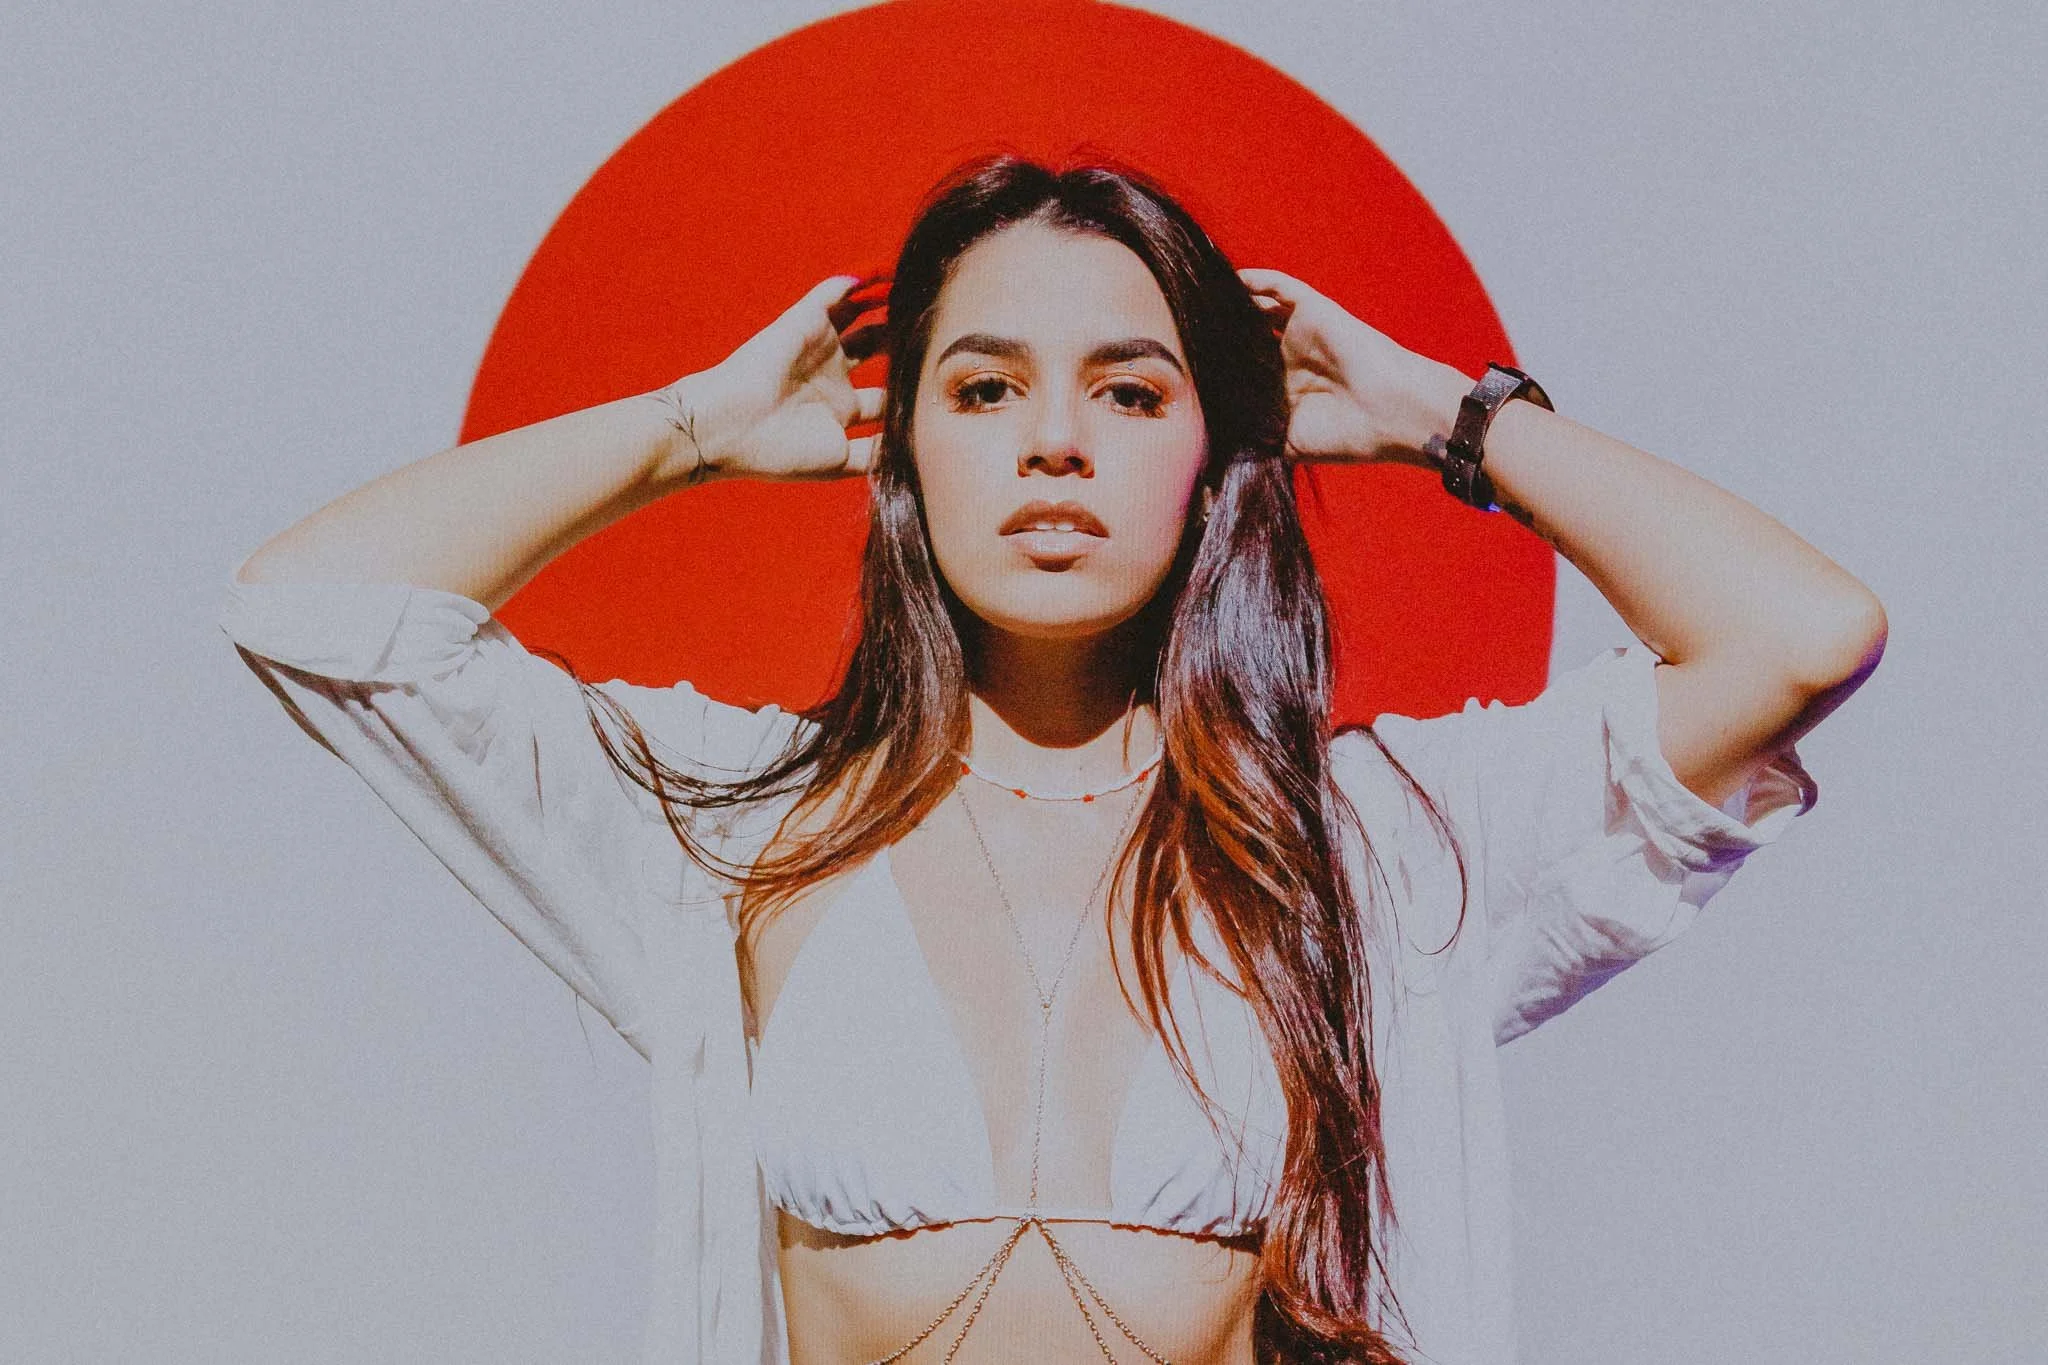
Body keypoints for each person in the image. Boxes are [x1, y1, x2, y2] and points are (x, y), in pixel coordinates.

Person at [218, 155, 1881, 1364]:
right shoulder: (735, 830)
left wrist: (1452, 416)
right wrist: (687, 433)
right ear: (905, 446)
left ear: (1215, 455)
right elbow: (312, 607)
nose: (1056, 443)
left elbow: (1796, 636)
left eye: (1133, 391)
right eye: (987, 385)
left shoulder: (1374, 845)